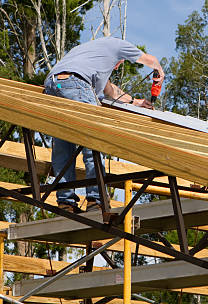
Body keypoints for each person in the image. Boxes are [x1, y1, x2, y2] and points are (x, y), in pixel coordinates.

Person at [44, 37, 165, 212]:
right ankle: (96, 199)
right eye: (119, 63)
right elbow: (150, 60)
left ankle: (66, 203)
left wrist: (134, 102)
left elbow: (110, 90)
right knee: (94, 142)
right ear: (120, 57)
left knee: (63, 146)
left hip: (53, 85)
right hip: (77, 83)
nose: (116, 67)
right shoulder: (117, 45)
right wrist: (159, 71)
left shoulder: (87, 55)